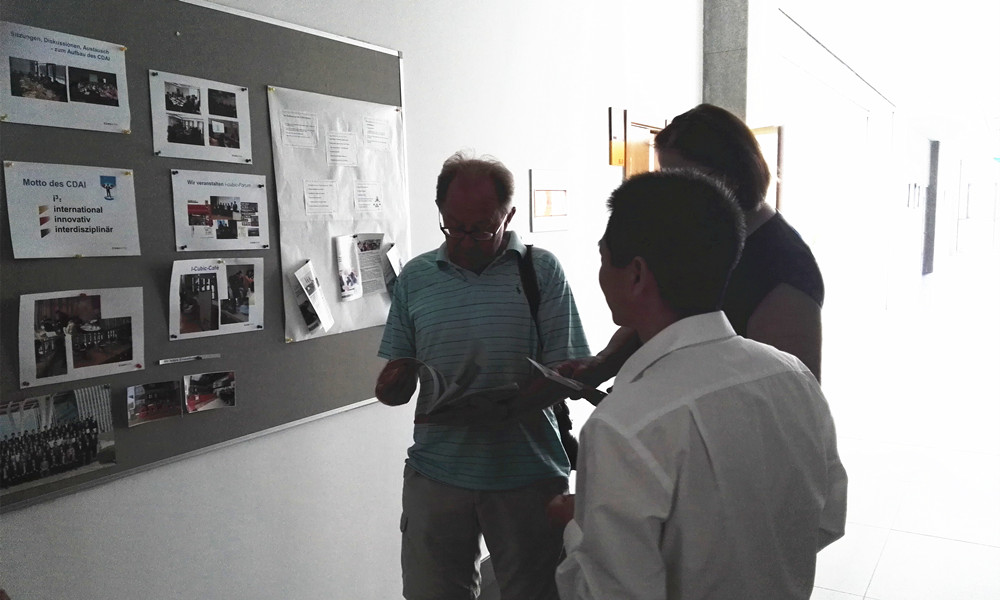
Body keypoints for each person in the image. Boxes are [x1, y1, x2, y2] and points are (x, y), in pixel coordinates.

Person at [552, 170, 847, 599]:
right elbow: (827, 519)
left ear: (636, 275)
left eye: (603, 257)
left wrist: (577, 526)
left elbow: (611, 592)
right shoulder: (792, 376)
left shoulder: (624, 425)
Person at [375, 151, 590, 600]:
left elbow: (569, 372)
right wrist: (392, 385)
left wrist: (507, 408)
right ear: (440, 212)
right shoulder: (416, 277)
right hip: (436, 473)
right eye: (453, 226)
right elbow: (398, 379)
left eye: (480, 228)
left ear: (508, 216)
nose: (465, 241)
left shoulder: (540, 270)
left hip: (527, 474)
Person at [568, 103, 824, 387]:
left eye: (681, 177)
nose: (669, 194)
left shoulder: (784, 267)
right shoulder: (696, 234)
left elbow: (788, 388)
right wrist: (603, 363)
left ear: (727, 179)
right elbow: (659, 312)